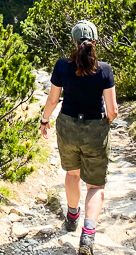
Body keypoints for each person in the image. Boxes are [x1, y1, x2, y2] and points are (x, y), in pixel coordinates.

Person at [40, 20, 118, 255]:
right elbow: (112, 111)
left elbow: (53, 100)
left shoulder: (62, 66)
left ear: (73, 42)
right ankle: (88, 235)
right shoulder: (104, 69)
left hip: (68, 126)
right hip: (95, 128)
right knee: (95, 185)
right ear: (95, 42)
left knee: (72, 173)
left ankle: (72, 216)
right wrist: (102, 126)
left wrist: (44, 121)